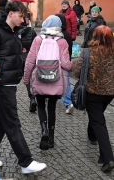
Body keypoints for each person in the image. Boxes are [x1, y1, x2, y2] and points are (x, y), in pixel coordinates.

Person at [0, 0, 46, 174]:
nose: (23, 21)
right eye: (21, 16)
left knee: (0, 120)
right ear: (11, 13)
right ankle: (26, 162)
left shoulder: (15, 33)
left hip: (10, 81)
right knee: (12, 122)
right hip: (2, 83)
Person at [24, 15, 72, 150]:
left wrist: (26, 78)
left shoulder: (38, 39)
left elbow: (30, 61)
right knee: (51, 108)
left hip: (39, 78)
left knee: (40, 106)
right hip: (55, 80)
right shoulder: (62, 42)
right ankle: (51, 138)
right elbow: (66, 65)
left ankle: (44, 129)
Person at [72, 25, 114, 173]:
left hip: (93, 92)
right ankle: (91, 135)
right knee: (97, 116)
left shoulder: (88, 52)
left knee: (98, 121)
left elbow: (77, 72)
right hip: (109, 93)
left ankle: (108, 158)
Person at [55, 14, 74, 114]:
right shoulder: (67, 34)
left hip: (57, 62)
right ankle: (68, 102)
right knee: (66, 82)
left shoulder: (58, 35)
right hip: (67, 61)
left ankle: (67, 101)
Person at [17, 17, 37, 112]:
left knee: (13, 80)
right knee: (29, 79)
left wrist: (20, 47)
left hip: (18, 57)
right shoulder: (32, 32)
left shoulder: (15, 31)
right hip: (29, 57)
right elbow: (36, 44)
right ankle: (32, 98)